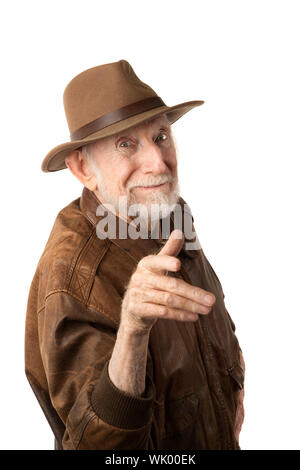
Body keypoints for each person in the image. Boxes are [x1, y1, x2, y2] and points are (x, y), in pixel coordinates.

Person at [24, 59, 245, 450]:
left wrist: (232, 389)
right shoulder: (72, 274)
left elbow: (214, 321)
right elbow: (99, 447)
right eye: (126, 144)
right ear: (82, 169)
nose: (158, 163)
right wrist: (133, 329)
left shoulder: (167, 214)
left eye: (160, 136)